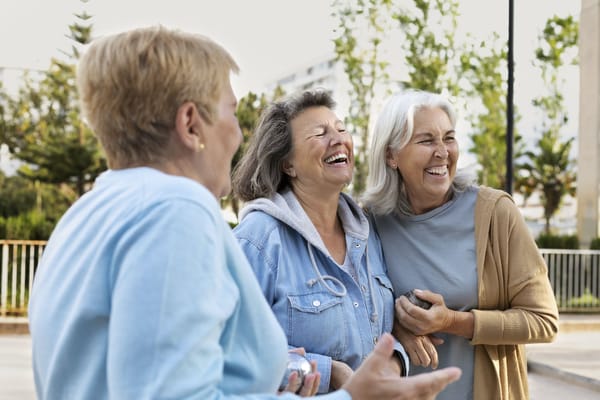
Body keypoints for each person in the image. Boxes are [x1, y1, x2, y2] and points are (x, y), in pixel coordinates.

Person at [27, 27, 461, 400]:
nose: (239, 134)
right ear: (191, 124)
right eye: (231, 112)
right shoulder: (174, 212)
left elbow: (210, 366)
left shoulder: (86, 214)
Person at [362, 89, 559, 400]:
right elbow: (355, 315)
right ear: (391, 155)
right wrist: (397, 330)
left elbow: (544, 321)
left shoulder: (495, 213)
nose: (442, 152)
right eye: (426, 140)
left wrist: (453, 321)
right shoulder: (369, 222)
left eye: (449, 138)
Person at [232, 89, 410, 394]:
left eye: (341, 129)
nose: (338, 139)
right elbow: (232, 349)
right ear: (288, 164)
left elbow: (384, 332)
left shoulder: (367, 234)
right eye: (320, 133)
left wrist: (395, 361)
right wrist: (331, 373)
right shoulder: (258, 240)